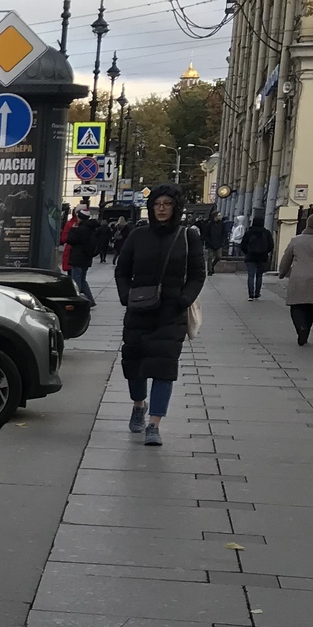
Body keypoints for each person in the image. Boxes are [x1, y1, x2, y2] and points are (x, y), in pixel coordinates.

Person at [113, 183, 204, 447]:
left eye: (167, 204)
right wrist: (125, 295)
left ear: (176, 208)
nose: (161, 209)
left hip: (171, 312)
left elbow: (198, 274)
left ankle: (154, 424)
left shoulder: (188, 237)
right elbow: (122, 269)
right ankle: (138, 405)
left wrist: (184, 299)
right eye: (157, 204)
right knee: (135, 366)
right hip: (139, 309)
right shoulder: (137, 236)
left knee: (164, 368)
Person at [277, 211, 313, 344]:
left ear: (307, 223)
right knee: (310, 305)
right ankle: (307, 329)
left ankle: (300, 327)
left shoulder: (296, 240)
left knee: (296, 304)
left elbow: (287, 258)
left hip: (298, 276)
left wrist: (282, 272)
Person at [68, 208, 100, 304]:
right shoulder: (92, 229)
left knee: (76, 281)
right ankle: (90, 300)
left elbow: (71, 240)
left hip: (78, 258)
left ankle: (78, 301)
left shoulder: (80, 230)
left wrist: (73, 229)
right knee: (82, 280)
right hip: (86, 258)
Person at [240, 217, 274, 300]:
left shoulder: (249, 233)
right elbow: (271, 245)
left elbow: (243, 245)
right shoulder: (266, 233)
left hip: (250, 257)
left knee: (251, 276)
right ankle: (257, 293)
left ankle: (250, 295)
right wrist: (265, 252)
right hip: (262, 257)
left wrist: (247, 252)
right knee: (259, 276)